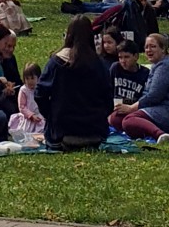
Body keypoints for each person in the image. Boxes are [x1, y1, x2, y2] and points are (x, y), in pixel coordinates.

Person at [34, 14, 113, 150]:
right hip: (94, 128)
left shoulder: (57, 63)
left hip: (62, 129)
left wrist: (51, 115)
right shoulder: (99, 64)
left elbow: (40, 93)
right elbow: (108, 96)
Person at [109, 33, 169, 140]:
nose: (148, 50)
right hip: (157, 109)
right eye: (146, 47)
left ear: (163, 49)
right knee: (116, 118)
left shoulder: (166, 66)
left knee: (129, 121)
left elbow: (154, 96)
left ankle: (160, 135)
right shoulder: (156, 65)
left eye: (153, 46)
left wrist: (131, 108)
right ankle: (146, 126)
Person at [8, 61, 46, 137]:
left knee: (43, 128)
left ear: (38, 78)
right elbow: (22, 106)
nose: (30, 81)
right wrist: (31, 115)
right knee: (27, 133)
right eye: (27, 78)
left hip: (39, 115)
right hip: (28, 117)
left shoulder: (40, 88)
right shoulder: (24, 90)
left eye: (32, 78)